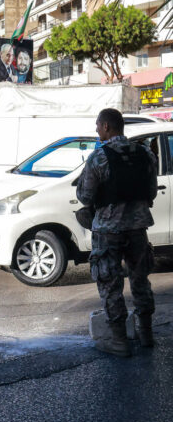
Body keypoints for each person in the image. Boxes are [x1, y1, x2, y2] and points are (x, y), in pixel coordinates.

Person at [77, 108, 157, 357]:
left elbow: (84, 195)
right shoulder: (144, 153)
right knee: (140, 280)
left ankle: (120, 341)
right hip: (138, 229)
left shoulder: (99, 157)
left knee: (111, 285)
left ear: (107, 127)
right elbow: (151, 192)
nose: (96, 130)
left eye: (98, 126)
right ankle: (146, 334)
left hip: (108, 232)